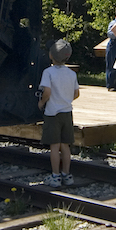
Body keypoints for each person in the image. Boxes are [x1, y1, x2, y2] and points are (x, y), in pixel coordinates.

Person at [38, 39, 79, 187]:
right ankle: (66, 175)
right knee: (65, 146)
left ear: (51, 55)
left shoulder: (48, 72)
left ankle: (55, 176)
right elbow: (76, 93)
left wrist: (41, 102)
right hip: (67, 113)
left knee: (54, 146)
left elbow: (47, 91)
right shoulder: (71, 74)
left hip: (52, 113)